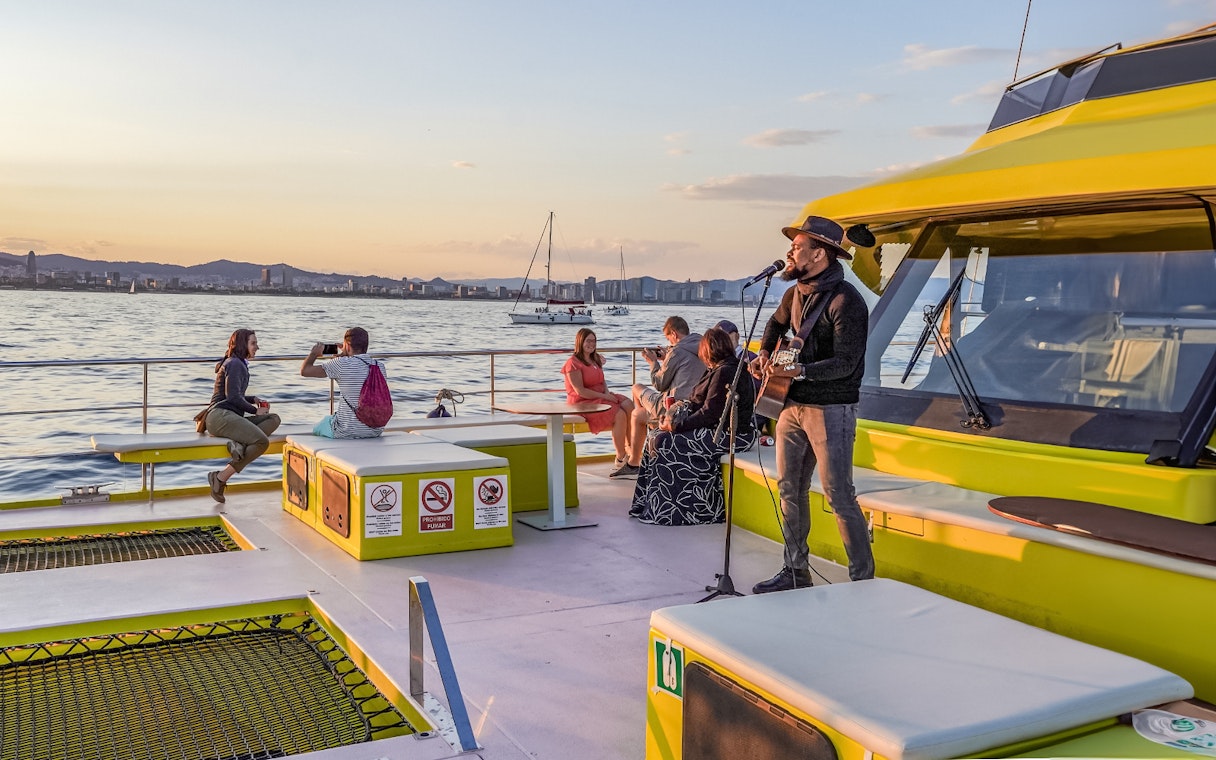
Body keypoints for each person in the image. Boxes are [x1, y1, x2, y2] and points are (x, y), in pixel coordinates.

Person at [749, 215, 874, 592]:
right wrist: (765, 353)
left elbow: (847, 363)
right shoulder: (795, 292)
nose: (789, 252)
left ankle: (862, 581)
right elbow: (774, 324)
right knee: (789, 487)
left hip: (831, 409)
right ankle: (795, 572)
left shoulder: (847, 301)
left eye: (797, 247)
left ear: (819, 254)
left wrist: (798, 371)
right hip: (791, 404)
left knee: (838, 494)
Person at [629, 327, 756, 525]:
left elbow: (710, 413)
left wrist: (678, 427)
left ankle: (670, 511)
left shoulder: (726, 372)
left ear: (707, 350)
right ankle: (649, 505)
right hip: (718, 428)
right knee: (655, 436)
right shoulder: (717, 369)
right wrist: (673, 420)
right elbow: (699, 405)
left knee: (665, 442)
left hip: (733, 435)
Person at [621, 316, 705, 478]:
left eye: (668, 339)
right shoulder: (703, 347)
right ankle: (648, 427)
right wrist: (668, 358)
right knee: (638, 412)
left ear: (673, 334)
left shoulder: (677, 351)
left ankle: (636, 451)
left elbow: (659, 383)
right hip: (694, 405)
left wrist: (653, 362)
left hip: (673, 406)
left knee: (636, 388)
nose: (669, 343)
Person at [204, 329, 282, 503]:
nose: (257, 347)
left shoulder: (238, 363)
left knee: (273, 419)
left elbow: (233, 395)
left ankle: (238, 444)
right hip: (219, 416)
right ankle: (221, 477)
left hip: (230, 416)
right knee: (262, 442)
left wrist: (253, 399)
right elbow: (232, 398)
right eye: (253, 343)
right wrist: (254, 411)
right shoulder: (235, 364)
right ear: (242, 345)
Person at [562, 328, 635, 467]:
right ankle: (621, 458)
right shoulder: (573, 363)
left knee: (629, 405)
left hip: (600, 396)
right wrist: (605, 397)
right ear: (580, 341)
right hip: (583, 401)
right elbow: (580, 391)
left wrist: (608, 395)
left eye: (594, 341)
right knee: (619, 415)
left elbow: (602, 381)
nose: (592, 344)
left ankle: (631, 449)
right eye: (588, 341)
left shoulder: (595, 359)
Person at [300, 326, 386, 439]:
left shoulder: (340, 363)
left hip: (346, 430)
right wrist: (347, 355)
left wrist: (314, 354)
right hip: (375, 430)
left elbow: (305, 371)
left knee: (319, 427)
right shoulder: (379, 366)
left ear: (347, 345)